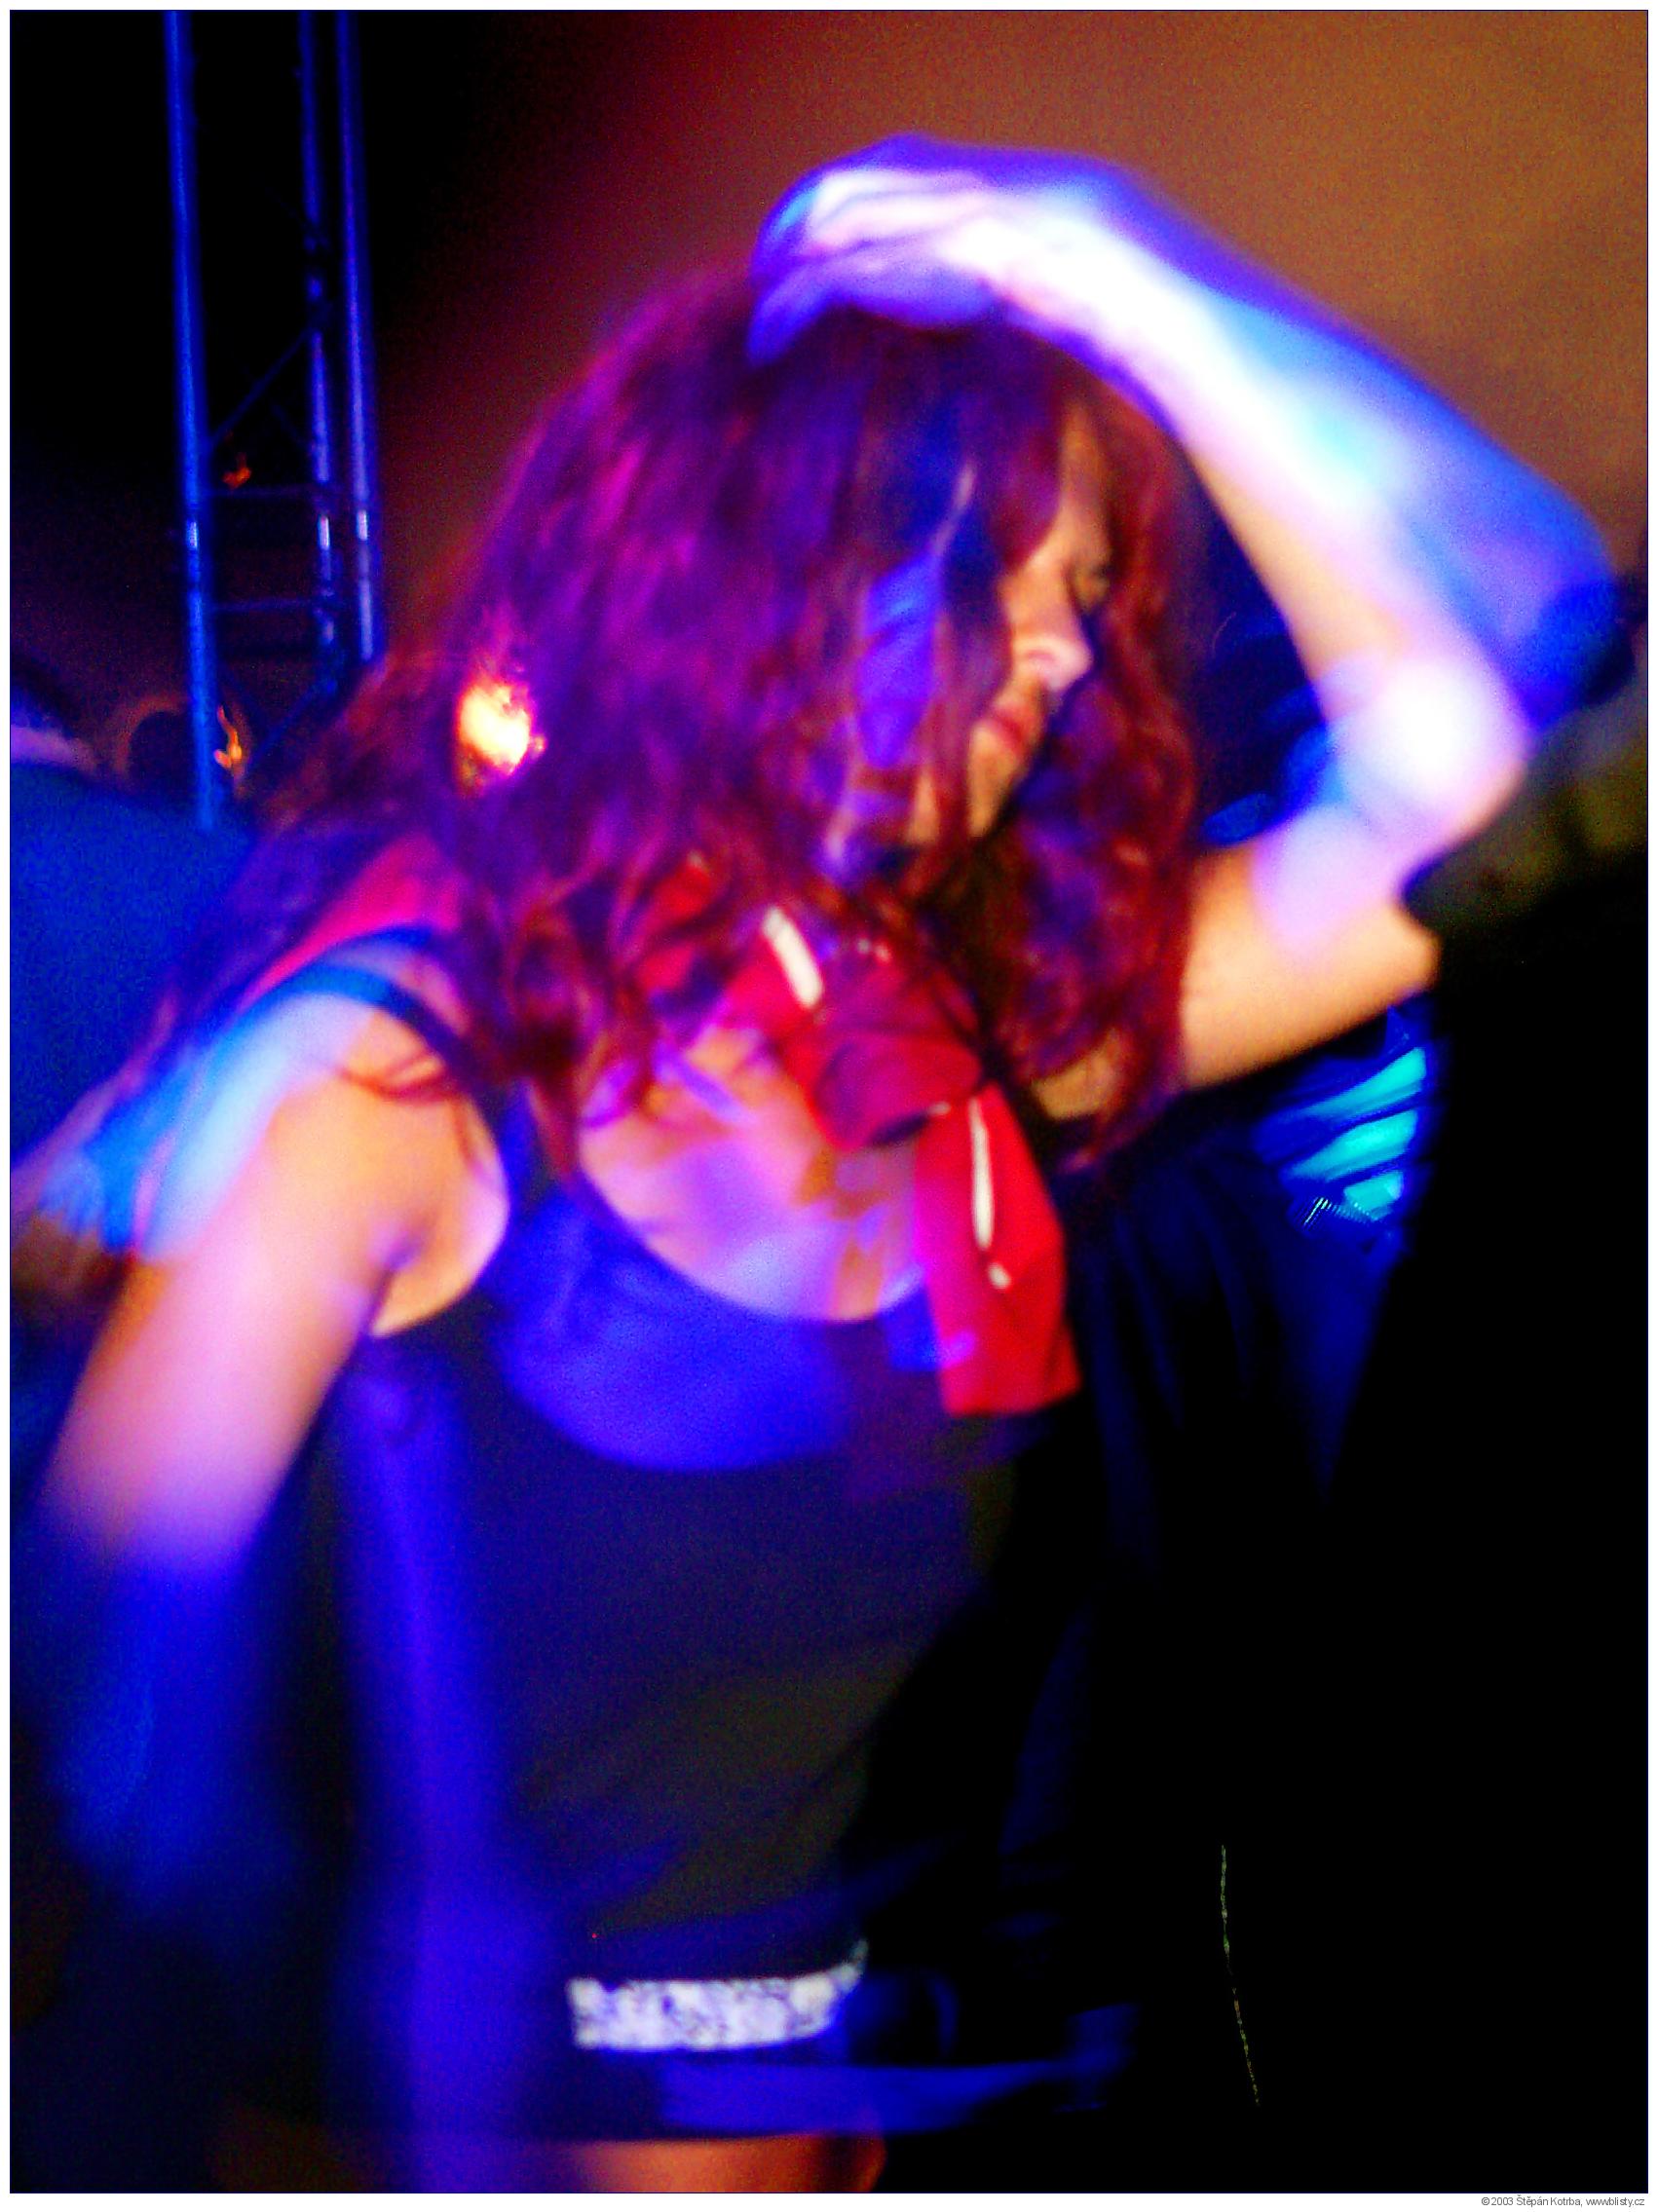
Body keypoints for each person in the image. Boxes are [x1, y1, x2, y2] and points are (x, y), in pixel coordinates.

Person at [12, 139, 1608, 2192]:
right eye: (988, 574)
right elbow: (74, 1714)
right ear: (766, 570)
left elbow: (1458, 779)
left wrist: (1107, 269)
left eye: (1081, 601)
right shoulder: (411, 1074)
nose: (1053, 660)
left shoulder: (979, 1043)